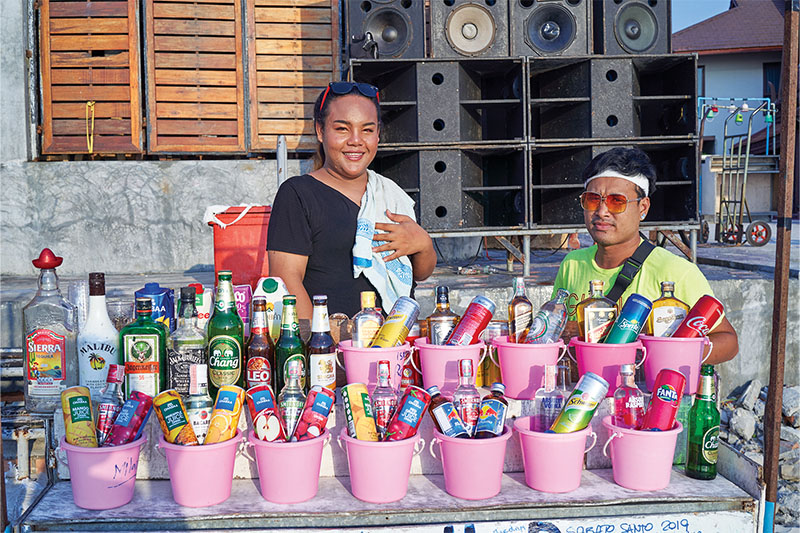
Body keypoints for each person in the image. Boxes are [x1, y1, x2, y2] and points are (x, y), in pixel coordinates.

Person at [267, 82, 436, 320]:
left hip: (394, 342)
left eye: (367, 130)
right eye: (342, 129)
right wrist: (320, 342)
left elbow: (419, 273)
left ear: (378, 134)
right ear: (320, 130)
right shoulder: (298, 194)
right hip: (334, 348)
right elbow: (287, 282)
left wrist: (423, 243)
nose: (356, 140)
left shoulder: (389, 194)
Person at [553, 147, 738, 364]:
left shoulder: (675, 270)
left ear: (643, 207)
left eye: (616, 201)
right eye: (593, 200)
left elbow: (727, 340)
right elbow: (556, 329)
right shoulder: (572, 264)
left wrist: (673, 354)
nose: (602, 211)